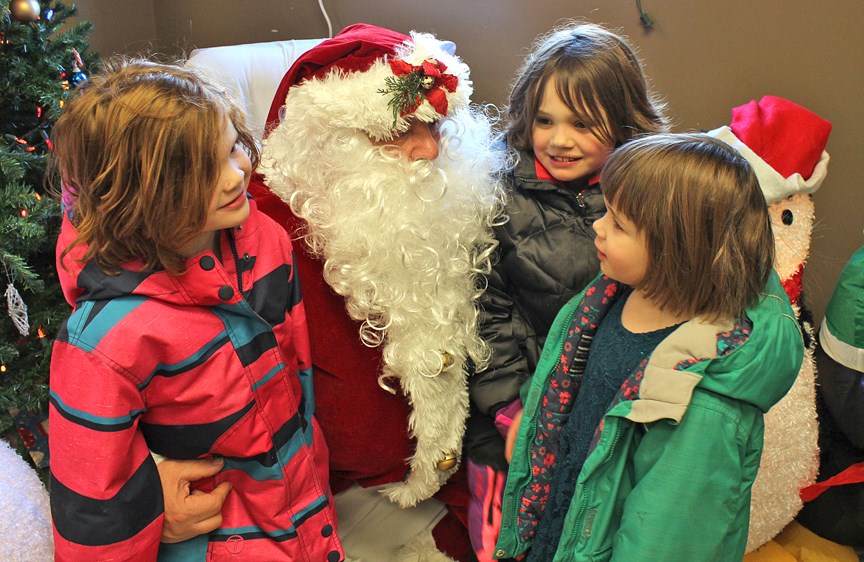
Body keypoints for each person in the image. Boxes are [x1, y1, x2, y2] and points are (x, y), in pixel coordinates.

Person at [47, 59, 343, 561]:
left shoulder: (265, 239)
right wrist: (150, 501)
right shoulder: (104, 341)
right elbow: (91, 506)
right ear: (137, 193)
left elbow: (299, 376)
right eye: (202, 172)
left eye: (231, 149)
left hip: (306, 511)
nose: (235, 176)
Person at [249, 24, 505, 561]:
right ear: (331, 143)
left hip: (451, 493)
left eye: (436, 125)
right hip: (324, 512)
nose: (429, 151)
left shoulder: (457, 208)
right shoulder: (259, 234)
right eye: (403, 130)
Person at [494, 133, 804, 561]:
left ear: (680, 252)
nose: (599, 227)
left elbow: (666, 539)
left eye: (619, 224)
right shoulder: (616, 293)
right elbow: (571, 370)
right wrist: (535, 413)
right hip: (564, 527)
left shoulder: (705, 406)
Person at [462, 21, 668, 560]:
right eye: (544, 121)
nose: (558, 140)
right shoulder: (497, 196)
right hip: (517, 403)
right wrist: (513, 408)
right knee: (504, 538)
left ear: (624, 123)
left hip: (610, 403)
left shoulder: (649, 192)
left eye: (582, 123)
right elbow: (485, 313)